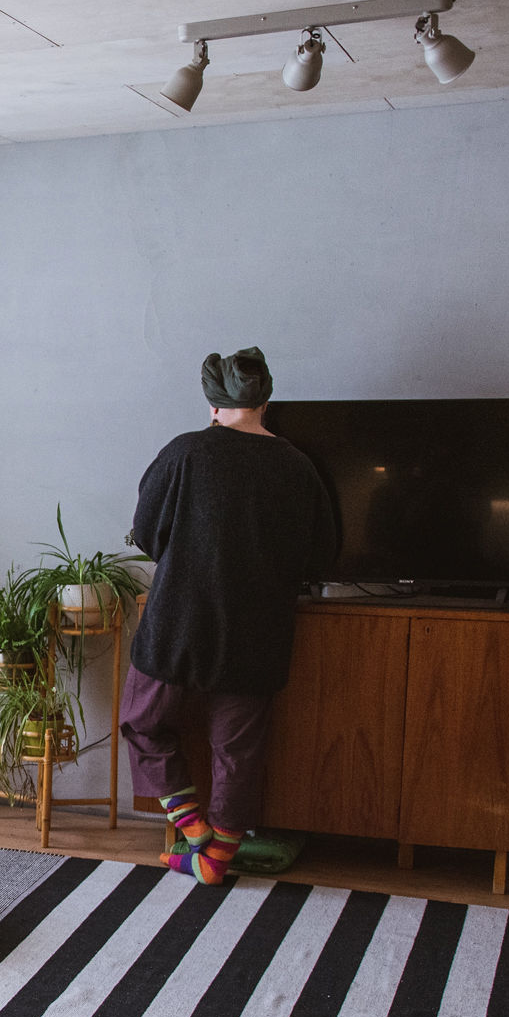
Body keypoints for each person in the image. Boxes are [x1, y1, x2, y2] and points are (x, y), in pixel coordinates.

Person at [121, 346, 337, 885]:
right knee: (238, 749)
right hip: (259, 629)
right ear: (265, 402)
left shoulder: (186, 452)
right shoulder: (299, 465)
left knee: (142, 720)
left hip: (179, 621)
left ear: (214, 405)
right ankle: (218, 857)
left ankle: (193, 831)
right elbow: (322, 552)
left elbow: (148, 532)